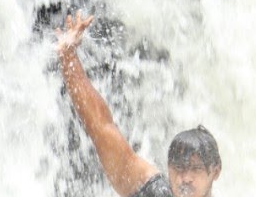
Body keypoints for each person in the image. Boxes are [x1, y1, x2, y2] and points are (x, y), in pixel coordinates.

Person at [57, 13, 223, 197]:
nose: (185, 178)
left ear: (215, 171)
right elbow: (102, 126)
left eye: (195, 168)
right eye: (178, 167)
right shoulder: (153, 191)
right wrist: (68, 55)